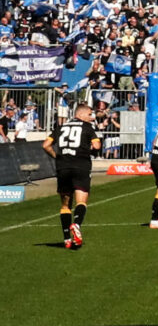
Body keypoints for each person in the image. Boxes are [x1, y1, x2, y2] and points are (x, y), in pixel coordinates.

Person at [44, 99, 99, 249]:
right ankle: (77, 224)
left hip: (63, 167)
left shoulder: (60, 127)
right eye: (89, 114)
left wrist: (56, 156)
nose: (91, 117)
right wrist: (90, 150)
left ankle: (67, 238)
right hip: (80, 165)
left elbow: (46, 145)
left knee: (65, 204)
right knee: (81, 200)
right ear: (80, 114)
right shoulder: (88, 127)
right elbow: (96, 145)